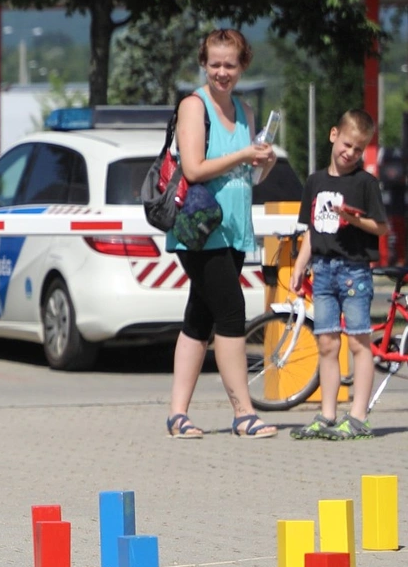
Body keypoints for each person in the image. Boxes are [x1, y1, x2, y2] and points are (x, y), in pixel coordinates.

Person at [164, 28, 278, 440]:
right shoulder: (194, 107)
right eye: (215, 64)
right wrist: (244, 154)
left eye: (230, 64)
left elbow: (251, 177)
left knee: (200, 317)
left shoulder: (245, 111)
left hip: (233, 230)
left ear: (243, 65)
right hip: (200, 230)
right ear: (204, 64)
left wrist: (263, 160)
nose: (222, 72)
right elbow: (194, 168)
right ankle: (243, 413)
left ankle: (177, 415)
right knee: (231, 313)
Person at [288, 109, 387, 441]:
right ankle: (327, 415)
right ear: (333, 135)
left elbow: (381, 227)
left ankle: (358, 417)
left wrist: (353, 219)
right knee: (327, 343)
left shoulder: (365, 183)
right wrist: (300, 266)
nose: (350, 153)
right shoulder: (315, 181)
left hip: (354, 271)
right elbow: (312, 230)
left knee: (358, 341)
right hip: (322, 270)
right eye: (347, 144)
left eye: (358, 149)